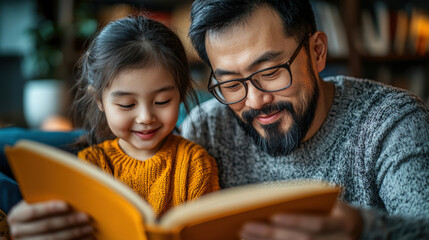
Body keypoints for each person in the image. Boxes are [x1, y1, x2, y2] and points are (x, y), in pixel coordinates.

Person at [181, 0, 429, 239]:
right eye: (230, 84)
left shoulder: (390, 122)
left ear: (317, 51)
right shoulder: (208, 129)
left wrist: (364, 230)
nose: (255, 101)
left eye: (270, 72)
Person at [7, 15, 219, 239]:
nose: (146, 117)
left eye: (162, 101)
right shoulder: (90, 166)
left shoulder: (196, 165)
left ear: (181, 93)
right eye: (127, 104)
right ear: (99, 99)